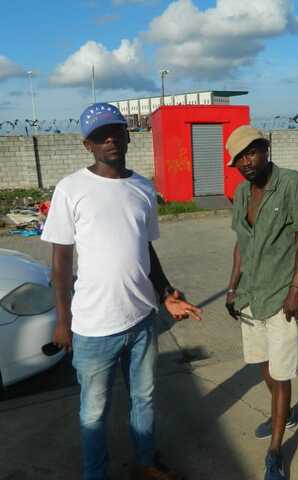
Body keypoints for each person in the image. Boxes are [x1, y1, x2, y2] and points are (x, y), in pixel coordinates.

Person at [41, 103, 202, 480]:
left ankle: (145, 463)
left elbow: (146, 248)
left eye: (116, 130)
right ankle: (94, 474)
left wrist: (165, 292)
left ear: (128, 135)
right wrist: (63, 320)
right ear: (88, 145)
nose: (110, 139)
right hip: (94, 329)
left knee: (143, 398)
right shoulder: (71, 189)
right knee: (94, 412)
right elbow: (61, 262)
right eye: (100, 135)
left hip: (142, 321)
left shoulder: (143, 187)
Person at [225, 125, 298, 480]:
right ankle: (286, 412)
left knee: (281, 374)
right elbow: (241, 243)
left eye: (252, 152)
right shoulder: (241, 192)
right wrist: (232, 288)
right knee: (263, 363)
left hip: (282, 295)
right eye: (239, 158)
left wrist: (296, 290)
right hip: (251, 295)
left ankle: (276, 452)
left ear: (266, 149)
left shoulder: (290, 182)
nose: (246, 162)